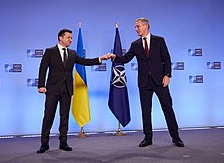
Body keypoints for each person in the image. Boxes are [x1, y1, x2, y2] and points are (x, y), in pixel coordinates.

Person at [108, 18, 184, 147]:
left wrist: (167, 75)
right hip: (144, 83)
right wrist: (114, 57)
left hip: (160, 81)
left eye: (138, 26)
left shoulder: (159, 40)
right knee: (146, 110)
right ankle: (148, 138)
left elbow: (167, 59)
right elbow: (126, 59)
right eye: (135, 27)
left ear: (145, 26)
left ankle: (176, 138)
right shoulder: (135, 44)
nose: (136, 29)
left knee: (168, 109)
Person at [37, 28, 109, 154]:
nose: (70, 40)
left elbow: (85, 62)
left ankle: (63, 143)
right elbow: (43, 69)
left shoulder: (72, 53)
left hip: (67, 90)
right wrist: (41, 85)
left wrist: (100, 58)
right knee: (48, 116)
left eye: (71, 38)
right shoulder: (50, 51)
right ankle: (44, 144)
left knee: (64, 117)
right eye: (68, 37)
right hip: (52, 89)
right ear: (60, 38)